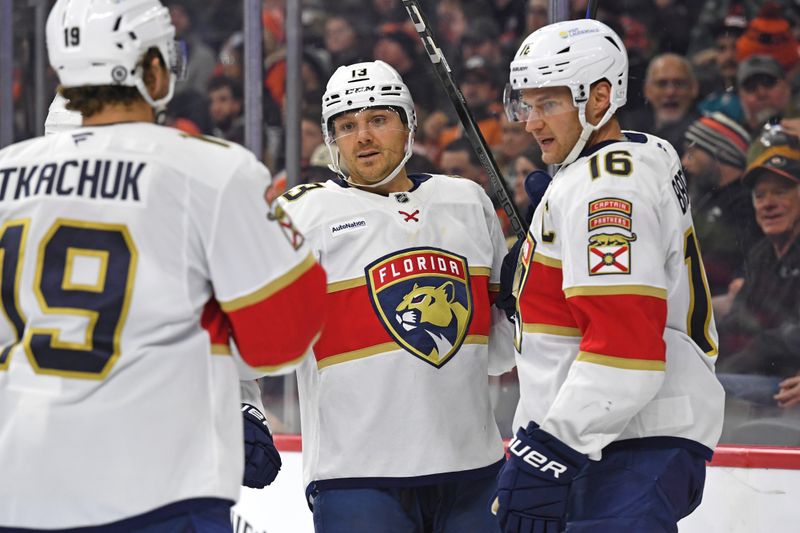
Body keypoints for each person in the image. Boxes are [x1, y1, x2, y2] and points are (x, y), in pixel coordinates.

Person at [0, 0, 327, 530]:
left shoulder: (4, 175)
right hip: (158, 491)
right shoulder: (211, 169)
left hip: (20, 490)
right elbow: (285, 339)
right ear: (153, 68)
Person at [494, 19, 724, 532]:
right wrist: (544, 254)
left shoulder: (603, 191)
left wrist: (549, 450)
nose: (530, 122)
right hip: (619, 439)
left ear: (600, 98)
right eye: (524, 104)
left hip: (621, 443)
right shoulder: (646, 152)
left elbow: (625, 348)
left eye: (548, 103)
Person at [276, 60, 515, 532]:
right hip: (358, 478)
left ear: (408, 125)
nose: (363, 136)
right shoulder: (302, 214)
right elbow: (245, 326)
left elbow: (499, 354)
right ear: (332, 140)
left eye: (378, 119)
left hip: (473, 472)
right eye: (347, 126)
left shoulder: (467, 202)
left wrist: (532, 285)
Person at [716, 145, 800, 409]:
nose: (768, 203)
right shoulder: (761, 253)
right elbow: (739, 317)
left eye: (780, 192)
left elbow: (785, 337)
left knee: (708, 389)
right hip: (759, 373)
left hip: (786, 381)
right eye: (760, 195)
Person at [681, 112, 760, 299]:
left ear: (721, 153)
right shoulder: (709, 196)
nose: (685, 161)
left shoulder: (746, 203)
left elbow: (737, 261)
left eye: (692, 153)